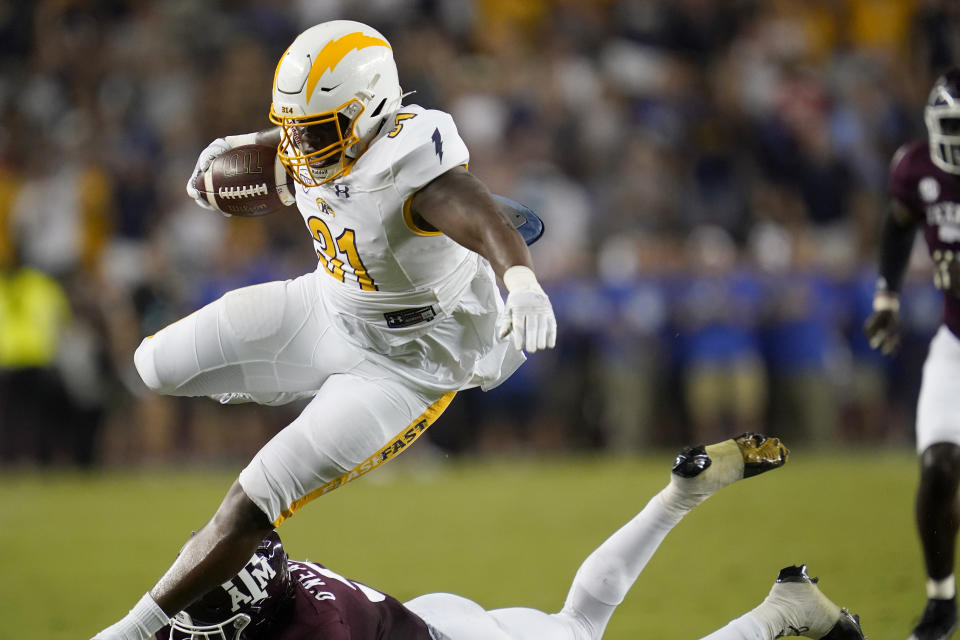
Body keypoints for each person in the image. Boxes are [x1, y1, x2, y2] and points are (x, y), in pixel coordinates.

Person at [92, 20, 556, 640]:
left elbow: (482, 215)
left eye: (318, 132)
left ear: (374, 112)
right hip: (326, 308)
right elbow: (279, 149)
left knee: (252, 501)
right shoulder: (314, 138)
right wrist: (230, 168)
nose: (302, 152)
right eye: (294, 132)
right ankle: (286, 383)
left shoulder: (415, 169)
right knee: (152, 365)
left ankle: (131, 631)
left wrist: (520, 281)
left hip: (406, 368)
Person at [149, 433, 865, 640]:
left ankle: (781, 612)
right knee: (578, 624)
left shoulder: (313, 630)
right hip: (440, 620)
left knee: (581, 629)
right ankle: (680, 500)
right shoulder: (279, 584)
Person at [864, 67, 960, 640]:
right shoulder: (917, 167)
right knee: (938, 467)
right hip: (955, 341)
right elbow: (900, 223)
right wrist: (887, 295)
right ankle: (942, 600)